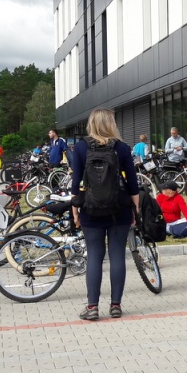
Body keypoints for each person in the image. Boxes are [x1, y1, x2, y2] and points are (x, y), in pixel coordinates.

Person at [70, 109, 140, 322]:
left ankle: (92, 307)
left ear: (91, 124)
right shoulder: (122, 148)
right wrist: (135, 210)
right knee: (118, 255)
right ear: (112, 124)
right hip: (119, 208)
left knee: (94, 256)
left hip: (91, 209)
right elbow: (133, 183)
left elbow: (76, 184)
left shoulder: (81, 148)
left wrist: (75, 211)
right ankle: (116, 305)